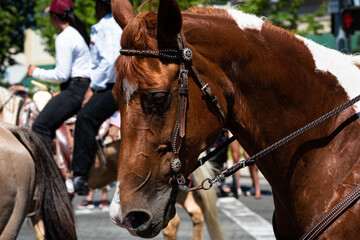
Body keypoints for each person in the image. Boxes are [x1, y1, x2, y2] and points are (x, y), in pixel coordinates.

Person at [72, 0, 122, 195]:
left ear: (100, 6)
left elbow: (110, 61)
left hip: (113, 85)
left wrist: (93, 87)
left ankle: (80, 175)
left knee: (85, 117)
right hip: (123, 82)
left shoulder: (105, 26)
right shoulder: (124, 22)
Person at [27, 0, 90, 153]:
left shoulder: (64, 37)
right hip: (81, 87)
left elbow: (61, 74)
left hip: (76, 90)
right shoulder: (77, 32)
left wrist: (35, 71)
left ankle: (47, 176)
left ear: (54, 17)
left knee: (40, 126)